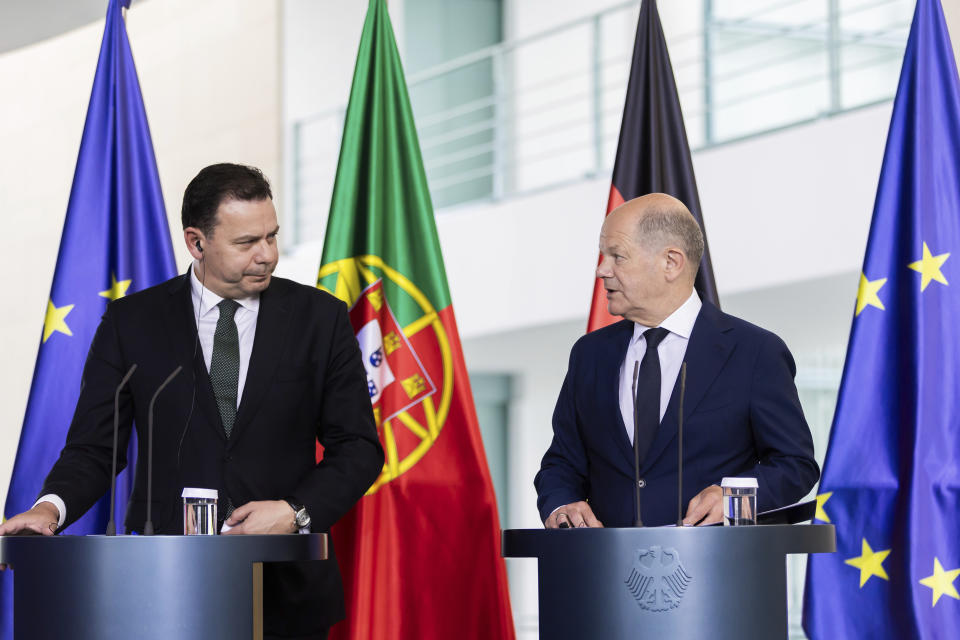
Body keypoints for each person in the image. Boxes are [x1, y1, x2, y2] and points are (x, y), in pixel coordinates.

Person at [0, 163, 384, 639]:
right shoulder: (131, 323)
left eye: (271, 236)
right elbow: (95, 448)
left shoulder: (319, 318)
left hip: (286, 592)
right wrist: (49, 508)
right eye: (247, 243)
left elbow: (359, 448)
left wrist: (295, 511)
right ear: (196, 242)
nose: (267, 255)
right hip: (163, 590)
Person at [535, 193, 819, 528]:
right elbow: (561, 463)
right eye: (603, 255)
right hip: (606, 572)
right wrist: (562, 504)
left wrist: (732, 499)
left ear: (671, 262)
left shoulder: (755, 352)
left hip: (716, 570)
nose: (602, 269)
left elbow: (795, 464)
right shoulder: (590, 355)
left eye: (617, 256)